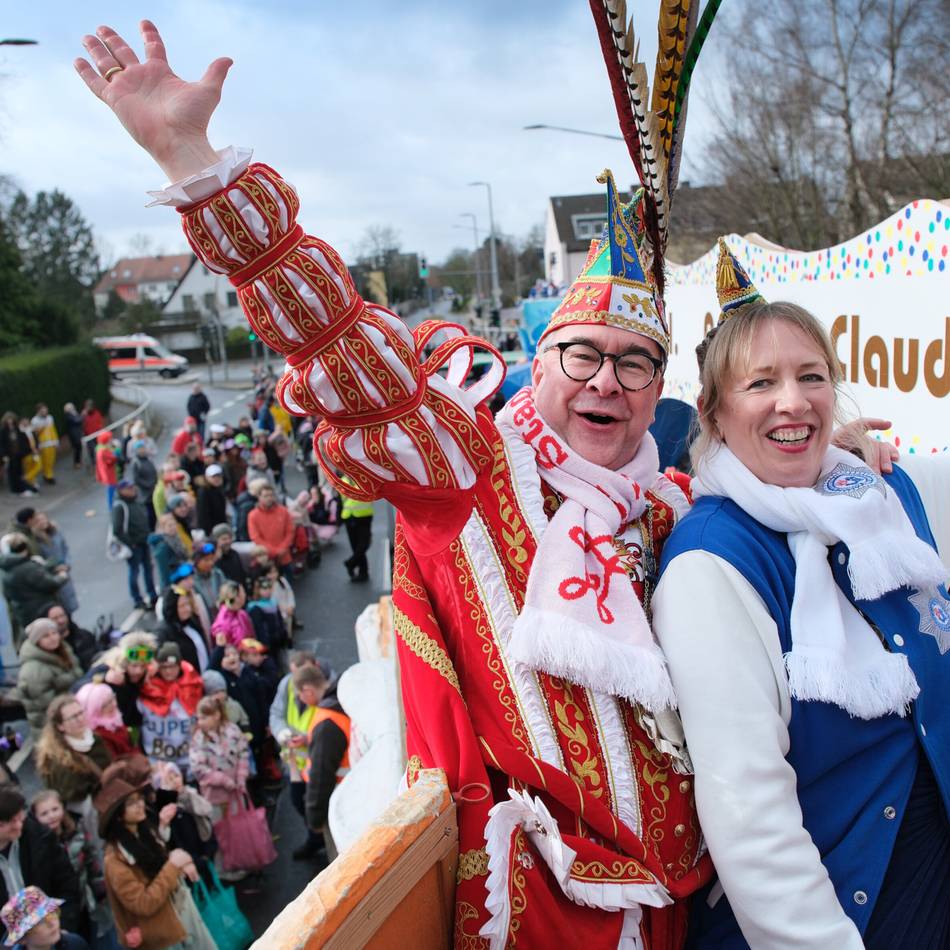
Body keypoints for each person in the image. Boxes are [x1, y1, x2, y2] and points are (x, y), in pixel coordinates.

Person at [73, 18, 735, 943]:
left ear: (656, 389)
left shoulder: (680, 506)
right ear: (537, 366)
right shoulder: (470, 466)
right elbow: (342, 348)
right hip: (553, 908)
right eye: (582, 354)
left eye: (634, 364)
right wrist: (198, 164)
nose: (605, 381)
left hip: (699, 899)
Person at [653, 246, 950, 949]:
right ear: (715, 415)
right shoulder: (711, 566)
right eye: (761, 383)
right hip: (854, 906)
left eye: (810, 376)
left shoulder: (876, 495)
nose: (793, 400)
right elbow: (751, 824)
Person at [94, 764, 214, 950]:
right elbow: (143, 904)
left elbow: (164, 863)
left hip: (182, 914)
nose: (140, 804)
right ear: (118, 817)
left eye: (139, 799)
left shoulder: (144, 833)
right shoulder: (115, 862)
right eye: (132, 803)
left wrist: (180, 865)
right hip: (163, 935)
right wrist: (173, 866)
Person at [30, 793, 112, 950]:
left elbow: (90, 860)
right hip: (60, 908)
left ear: (63, 808)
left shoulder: (76, 832)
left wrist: (99, 887)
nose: (51, 816)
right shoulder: (40, 845)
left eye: (55, 809)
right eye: (44, 813)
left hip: (84, 898)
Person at [0, 785, 82, 935]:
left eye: (19, 818)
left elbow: (67, 885)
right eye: (10, 822)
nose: (18, 825)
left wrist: (63, 928)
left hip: (54, 934)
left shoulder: (40, 838)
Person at [268, 651, 324, 860]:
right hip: (295, 763)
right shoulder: (287, 685)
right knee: (298, 801)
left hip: (317, 762)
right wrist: (281, 732)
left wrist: (307, 739)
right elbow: (276, 714)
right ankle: (315, 836)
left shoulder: (324, 690)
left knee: (316, 805)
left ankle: (321, 838)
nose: (298, 684)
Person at [293, 665, 349, 862]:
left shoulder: (326, 723)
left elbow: (321, 775)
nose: (301, 700)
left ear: (308, 690)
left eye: (300, 694)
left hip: (338, 798)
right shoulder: (340, 701)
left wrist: (315, 817)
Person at [34, 695, 113, 824]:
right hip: (83, 804)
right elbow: (70, 794)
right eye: (73, 717)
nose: (80, 719)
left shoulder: (93, 739)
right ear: (60, 726)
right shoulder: (57, 757)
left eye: (80, 713)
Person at [79, 632, 156, 746]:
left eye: (143, 666)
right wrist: (104, 677)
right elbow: (79, 687)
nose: (138, 671)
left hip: (126, 729)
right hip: (103, 731)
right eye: (134, 666)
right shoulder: (108, 668)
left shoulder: (147, 676)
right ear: (124, 662)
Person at [137, 644, 203, 777]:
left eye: (172, 667)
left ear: (179, 665)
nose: (168, 672)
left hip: (190, 759)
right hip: (160, 762)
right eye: (164, 667)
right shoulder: (148, 689)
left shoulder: (192, 686)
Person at [187, 696, 249, 823]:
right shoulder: (198, 739)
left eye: (204, 718)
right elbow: (199, 768)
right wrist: (224, 780)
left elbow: (243, 753)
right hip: (213, 797)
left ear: (216, 715)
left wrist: (241, 777)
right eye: (198, 718)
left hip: (236, 792)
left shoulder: (233, 731)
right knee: (219, 830)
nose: (200, 722)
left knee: (239, 826)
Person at [17, 622, 82, 734]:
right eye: (46, 636)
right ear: (36, 640)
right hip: (55, 730)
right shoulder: (34, 669)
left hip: (72, 717)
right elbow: (48, 707)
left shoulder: (63, 651)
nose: (52, 638)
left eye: (54, 633)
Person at [0, 536, 68, 636]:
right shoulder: (27, 567)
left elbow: (8, 595)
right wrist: (62, 576)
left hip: (24, 614)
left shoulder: (7, 568)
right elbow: (50, 584)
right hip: (42, 610)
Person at [111, 482, 157, 612]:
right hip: (134, 545)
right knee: (134, 572)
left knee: (148, 569)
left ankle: (152, 594)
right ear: (121, 491)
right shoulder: (120, 506)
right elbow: (117, 529)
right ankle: (137, 599)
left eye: (132, 487)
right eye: (128, 488)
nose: (132, 490)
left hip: (144, 541)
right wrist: (131, 543)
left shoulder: (136, 502)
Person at [0, 885, 88, 950]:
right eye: (39, 922)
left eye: (52, 912)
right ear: (21, 939)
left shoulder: (75, 945)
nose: (51, 923)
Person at [28, 516, 79, 618]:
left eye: (44, 518)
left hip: (64, 572)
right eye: (39, 520)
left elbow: (65, 549)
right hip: (52, 576)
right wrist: (54, 568)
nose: (43, 522)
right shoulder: (35, 541)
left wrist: (67, 564)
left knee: (68, 605)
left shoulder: (55, 532)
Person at [74, 684, 136, 760]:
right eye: (105, 705)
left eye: (112, 698)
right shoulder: (100, 734)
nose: (114, 704)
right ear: (93, 710)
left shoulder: (114, 719)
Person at [155, 589, 208, 675]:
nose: (187, 609)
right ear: (172, 607)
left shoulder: (191, 622)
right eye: (182, 606)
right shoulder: (164, 632)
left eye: (188, 604)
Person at [246, 486, 294, 573]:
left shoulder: (283, 511)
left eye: (271, 495)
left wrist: (283, 548)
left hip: (284, 556)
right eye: (265, 496)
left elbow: (290, 532)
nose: (269, 498)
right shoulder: (253, 515)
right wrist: (275, 551)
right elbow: (255, 537)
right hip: (266, 558)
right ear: (259, 497)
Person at [40, 606, 97, 675]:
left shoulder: (84, 635)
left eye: (62, 616)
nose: (61, 621)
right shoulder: (51, 648)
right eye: (55, 618)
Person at [339, 477, 372, 584]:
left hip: (364, 515)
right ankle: (363, 572)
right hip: (349, 517)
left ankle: (351, 563)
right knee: (356, 546)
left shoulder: (363, 478)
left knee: (364, 544)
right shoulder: (343, 480)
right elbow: (342, 499)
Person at [146, 514, 186, 591]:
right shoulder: (162, 547)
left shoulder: (175, 539)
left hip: (181, 579)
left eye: (174, 524)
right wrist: (171, 589)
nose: (173, 527)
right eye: (170, 526)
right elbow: (164, 574)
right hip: (173, 585)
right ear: (162, 529)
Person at [0, 414, 37, 497]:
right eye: (8, 419)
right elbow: (2, 444)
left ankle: (22, 488)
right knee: (12, 473)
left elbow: (23, 440)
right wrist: (4, 455)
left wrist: (25, 451)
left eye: (11, 419)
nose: (10, 421)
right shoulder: (3, 431)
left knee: (19, 472)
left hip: (18, 454)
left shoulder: (17, 429)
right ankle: (15, 488)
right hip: (9, 455)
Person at [209, 583, 252, 649]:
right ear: (236, 597)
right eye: (243, 593)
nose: (245, 595)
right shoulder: (222, 623)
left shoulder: (241, 613)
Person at [127, 442, 157, 531]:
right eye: (140, 448)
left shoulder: (148, 459)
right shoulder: (135, 462)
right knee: (148, 515)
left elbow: (154, 472)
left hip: (153, 491)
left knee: (155, 514)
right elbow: (136, 479)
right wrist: (148, 485)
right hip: (144, 494)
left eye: (143, 448)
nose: (143, 450)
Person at [190, 545, 224, 620]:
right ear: (196, 561)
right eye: (206, 560)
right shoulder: (190, 580)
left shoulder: (217, 574)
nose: (210, 563)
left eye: (212, 559)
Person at [29, 407, 59, 487]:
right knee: (45, 461)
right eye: (43, 411)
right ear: (39, 411)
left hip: (51, 442)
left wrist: (55, 441)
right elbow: (35, 433)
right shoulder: (35, 420)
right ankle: (48, 476)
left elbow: (53, 430)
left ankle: (49, 474)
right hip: (43, 444)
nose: (45, 412)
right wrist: (42, 426)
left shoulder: (49, 418)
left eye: (45, 411)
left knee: (51, 460)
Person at [194, 466, 226, 537]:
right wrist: (209, 532)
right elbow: (203, 514)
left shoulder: (218, 489)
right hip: (211, 531)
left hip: (219, 528)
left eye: (218, 476)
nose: (216, 479)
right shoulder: (203, 492)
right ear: (207, 478)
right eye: (213, 477)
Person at [232, 478, 266, 543]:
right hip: (247, 537)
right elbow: (243, 523)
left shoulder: (245, 497)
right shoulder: (248, 504)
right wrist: (245, 539)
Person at [93, 434, 117, 512]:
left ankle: (112, 506)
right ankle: (111, 508)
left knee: (111, 491)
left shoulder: (100, 450)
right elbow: (112, 459)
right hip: (109, 475)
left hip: (107, 474)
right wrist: (115, 452)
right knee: (111, 492)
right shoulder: (104, 451)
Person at [62, 406, 84, 471]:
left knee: (79, 448)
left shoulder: (73, 414)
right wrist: (82, 415)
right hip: (74, 435)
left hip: (77, 434)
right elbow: (77, 421)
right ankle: (76, 462)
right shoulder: (69, 416)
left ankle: (78, 461)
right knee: (77, 448)